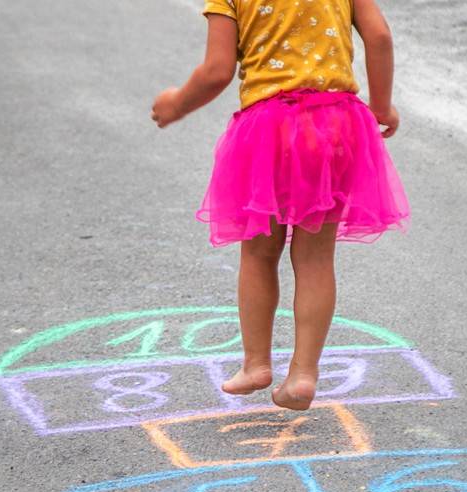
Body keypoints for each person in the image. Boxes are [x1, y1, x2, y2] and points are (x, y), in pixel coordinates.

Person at [151, 0, 409, 410]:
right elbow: (379, 36)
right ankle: (304, 375)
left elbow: (217, 71)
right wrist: (381, 105)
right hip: (337, 127)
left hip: (269, 129)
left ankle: (256, 364)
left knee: (258, 252)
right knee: (315, 259)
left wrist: (176, 103)